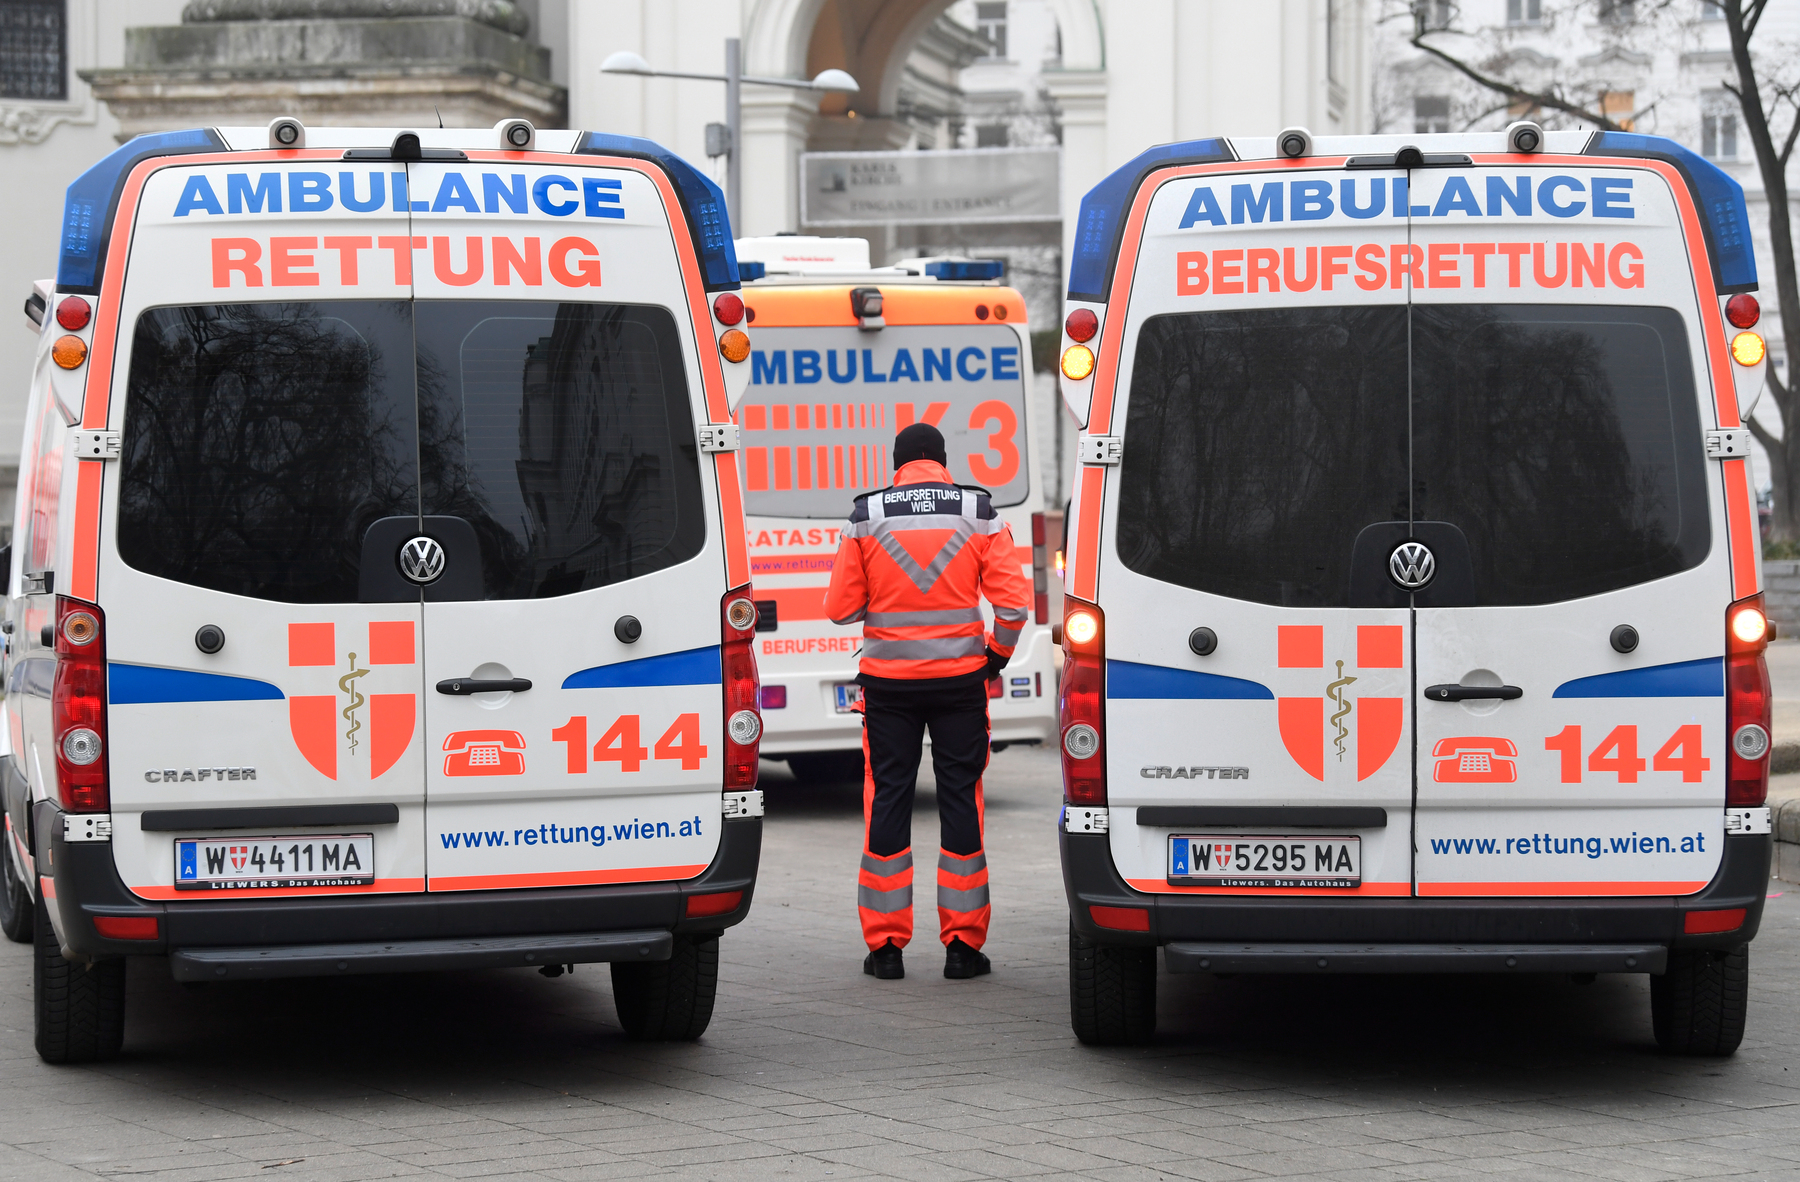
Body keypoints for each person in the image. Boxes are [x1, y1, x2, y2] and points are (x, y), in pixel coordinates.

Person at [823, 423, 1032, 980]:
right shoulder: (978, 512)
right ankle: (962, 947)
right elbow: (1014, 607)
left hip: (888, 689)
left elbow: (840, 609)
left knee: (888, 799)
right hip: (960, 685)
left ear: (896, 465)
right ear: (942, 461)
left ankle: (886, 948)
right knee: (961, 800)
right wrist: (996, 656)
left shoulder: (866, 516)